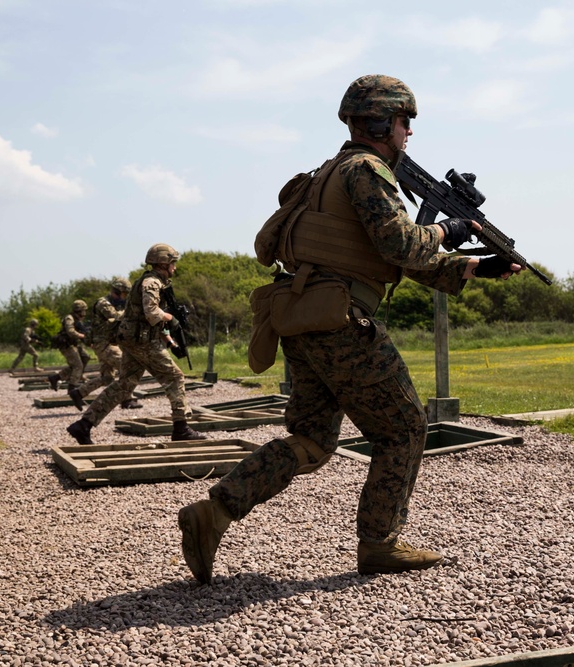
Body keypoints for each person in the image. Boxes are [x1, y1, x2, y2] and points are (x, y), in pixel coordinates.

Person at [177, 74, 522, 584]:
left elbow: (384, 253)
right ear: (384, 122)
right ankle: (380, 545)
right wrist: (449, 230)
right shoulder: (367, 170)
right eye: (405, 123)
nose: (408, 134)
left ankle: (216, 511)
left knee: (312, 440)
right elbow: (403, 246)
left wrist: (470, 266)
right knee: (403, 429)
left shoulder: (331, 171)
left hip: (302, 318)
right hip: (340, 322)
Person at [66, 244, 207, 444]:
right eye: (173, 263)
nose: (174, 268)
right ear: (163, 263)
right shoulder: (152, 283)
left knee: (125, 384)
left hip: (134, 340)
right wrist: (170, 317)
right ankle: (181, 428)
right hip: (142, 341)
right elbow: (152, 314)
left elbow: (146, 316)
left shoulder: (151, 281)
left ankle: (83, 425)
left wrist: (169, 340)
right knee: (175, 377)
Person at [67, 277, 142, 411]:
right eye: (124, 294)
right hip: (105, 345)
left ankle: (78, 393)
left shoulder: (116, 304)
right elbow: (116, 317)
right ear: (118, 291)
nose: (125, 297)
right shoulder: (103, 303)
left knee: (107, 378)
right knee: (127, 367)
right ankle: (127, 399)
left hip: (107, 344)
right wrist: (133, 309)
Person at [48, 300, 91, 395]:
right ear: (79, 310)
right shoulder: (70, 318)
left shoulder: (78, 320)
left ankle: (56, 378)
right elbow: (70, 331)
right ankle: (72, 388)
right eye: (84, 310)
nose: (85, 313)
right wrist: (82, 336)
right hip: (66, 345)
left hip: (74, 344)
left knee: (85, 357)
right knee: (77, 366)